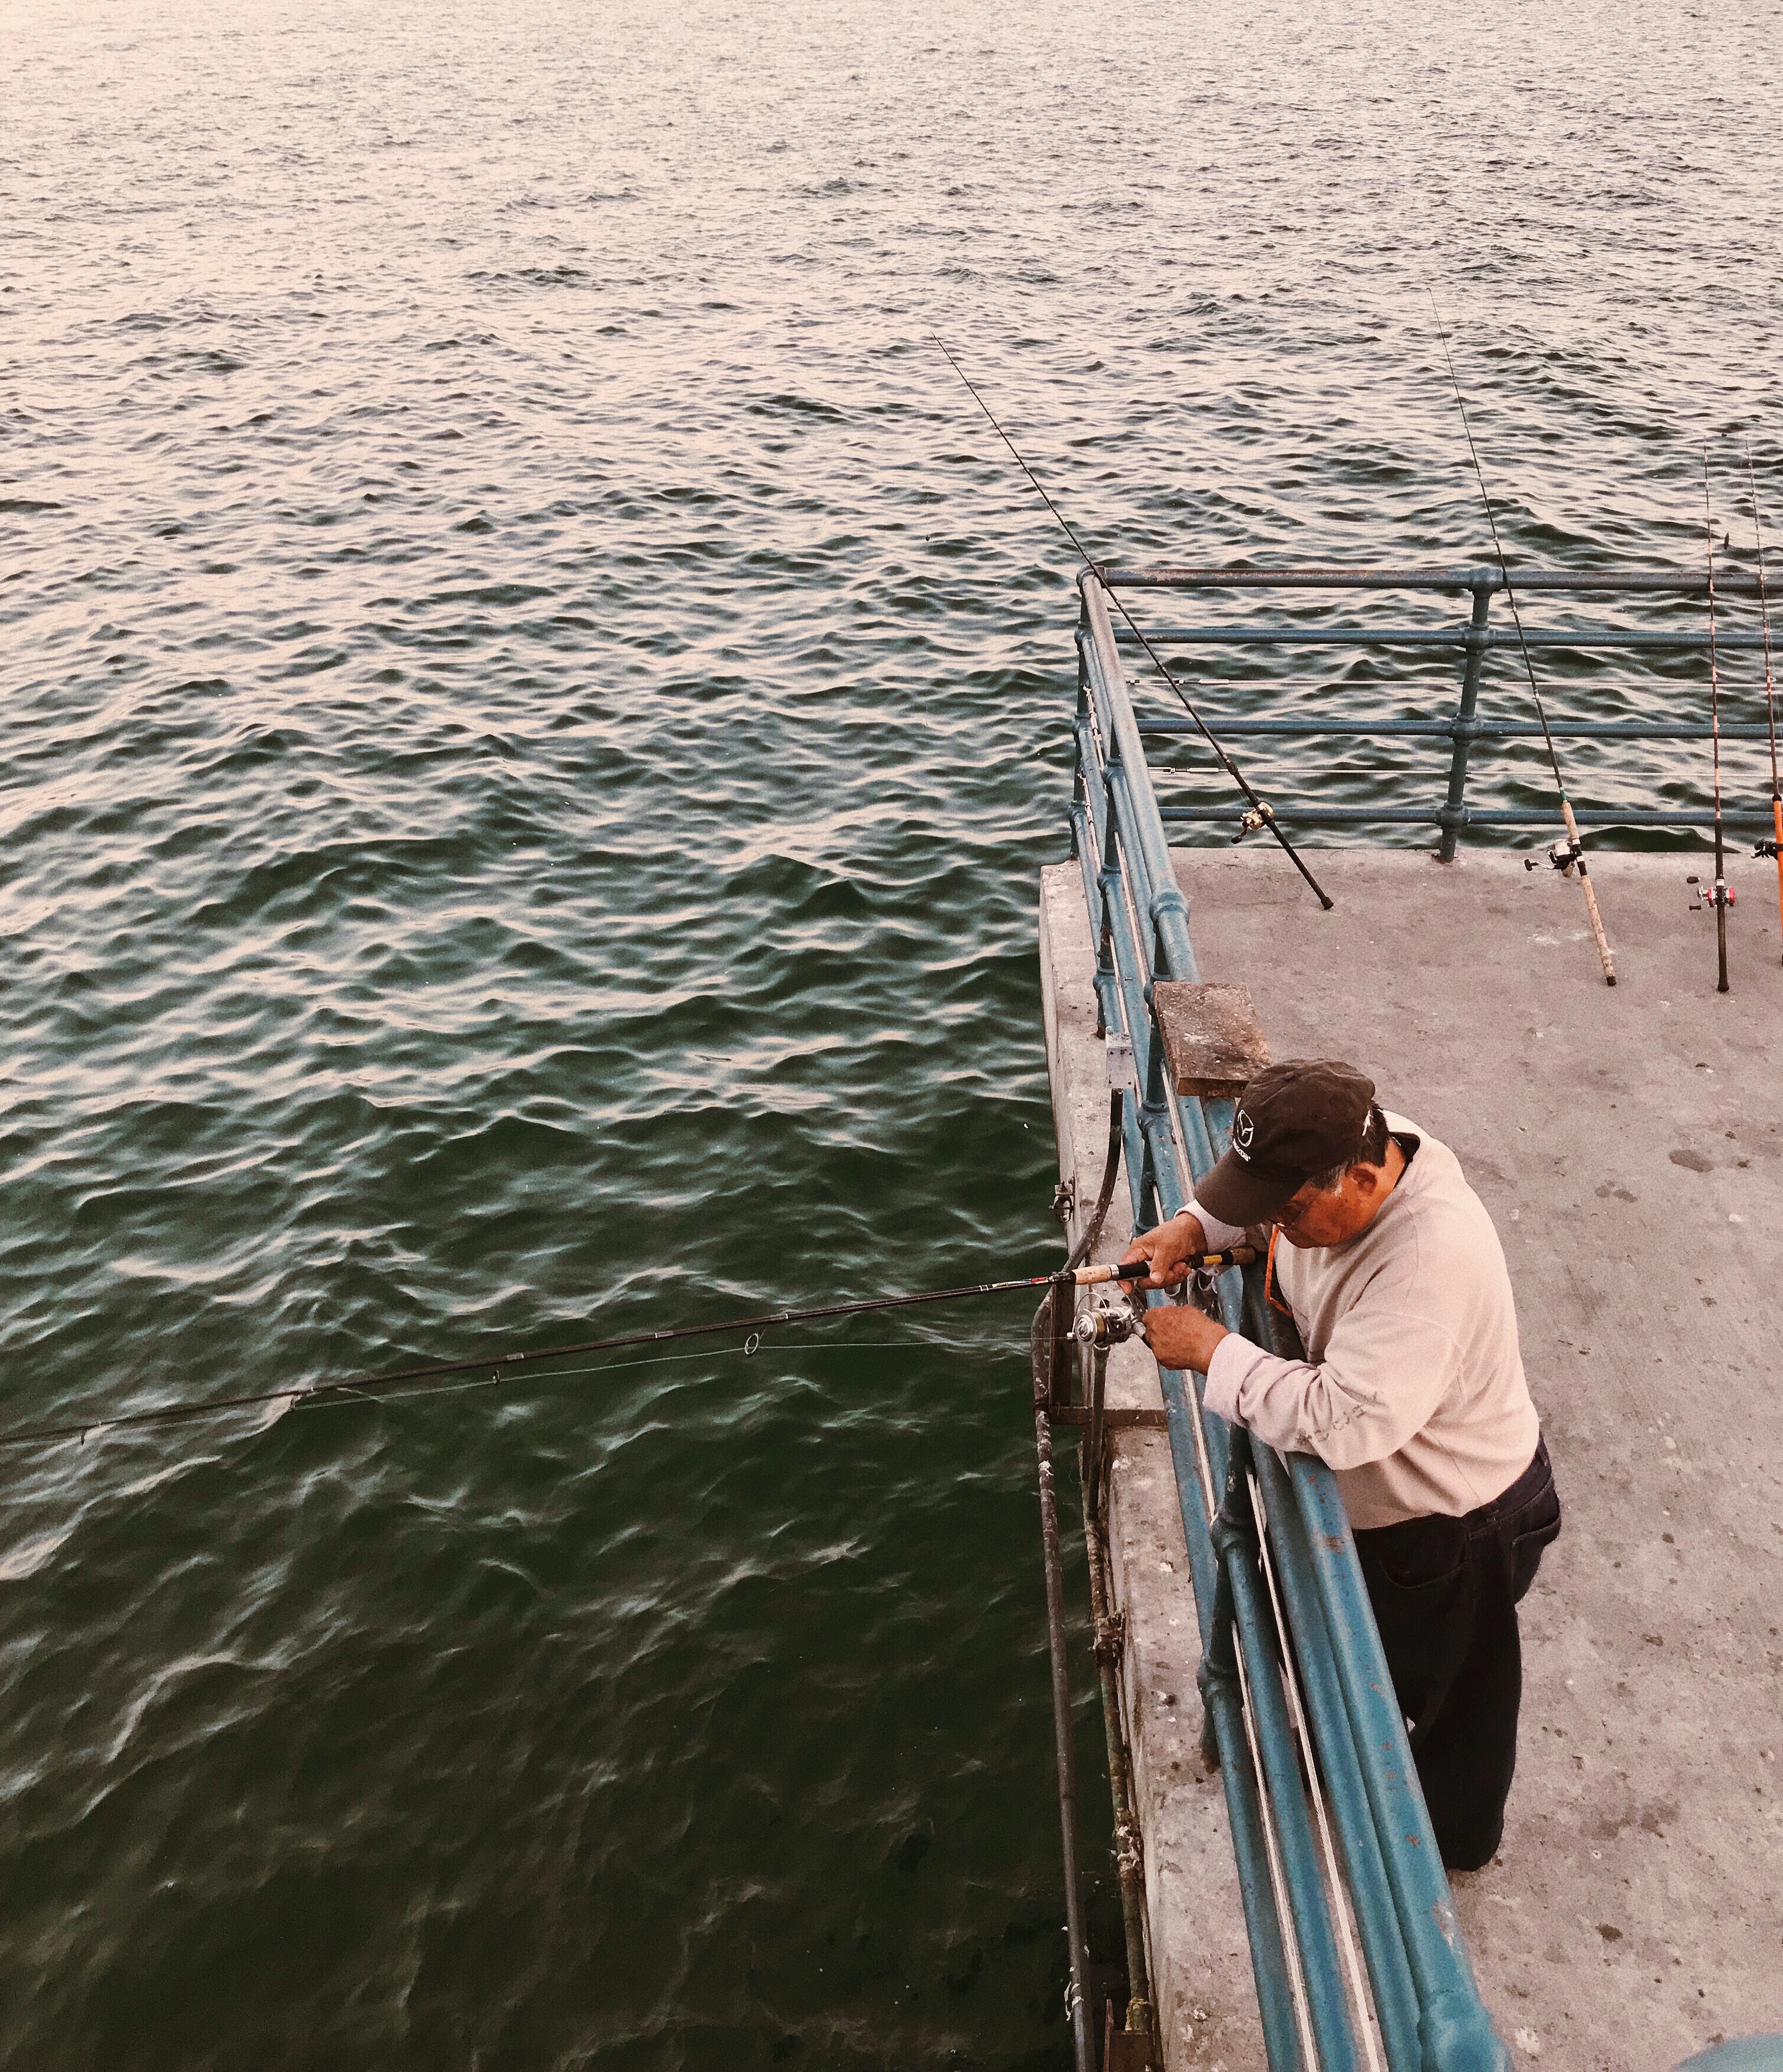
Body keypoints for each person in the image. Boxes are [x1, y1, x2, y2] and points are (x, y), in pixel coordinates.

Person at [1121, 1058, 1560, 1872]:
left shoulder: (1428, 1265)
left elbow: (1339, 1420)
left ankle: (1451, 1850)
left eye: (1287, 1211)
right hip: (1393, 1507)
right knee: (1363, 1656)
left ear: (1362, 1177)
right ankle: (1361, 1747)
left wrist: (1216, 1351)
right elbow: (1258, 1217)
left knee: (1458, 1700)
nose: (1274, 1227)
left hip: (1462, 1523)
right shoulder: (1350, 1159)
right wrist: (1196, 1228)